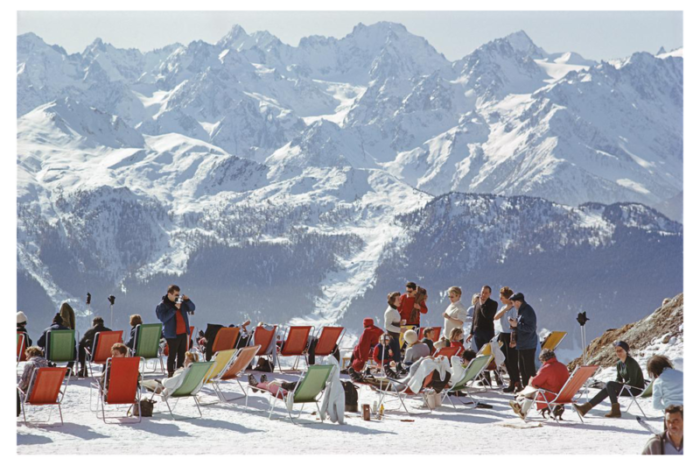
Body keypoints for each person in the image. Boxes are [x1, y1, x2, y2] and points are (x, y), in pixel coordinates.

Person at [574, 341, 645, 418]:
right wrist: (618, 384)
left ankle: (615, 410)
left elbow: (633, 381)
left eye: (620, 350)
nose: (618, 353)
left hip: (635, 389)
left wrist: (619, 385)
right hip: (627, 387)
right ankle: (585, 408)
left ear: (626, 351)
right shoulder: (619, 364)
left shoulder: (631, 363)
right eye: (617, 351)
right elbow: (619, 379)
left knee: (609, 385)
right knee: (608, 388)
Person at [510, 349, 570, 420]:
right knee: (533, 389)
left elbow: (534, 383)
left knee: (532, 390)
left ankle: (522, 410)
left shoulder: (546, 368)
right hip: (563, 395)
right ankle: (520, 405)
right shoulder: (563, 366)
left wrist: (532, 379)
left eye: (541, 360)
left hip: (551, 396)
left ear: (544, 359)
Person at [156, 285, 196, 378]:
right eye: (176, 295)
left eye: (179, 294)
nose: (178, 297)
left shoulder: (180, 302)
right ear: (169, 294)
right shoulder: (162, 305)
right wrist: (174, 309)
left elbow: (192, 308)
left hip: (183, 333)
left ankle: (180, 374)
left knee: (182, 355)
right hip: (172, 334)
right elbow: (163, 318)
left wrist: (187, 300)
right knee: (172, 355)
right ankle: (170, 375)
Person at [509, 293, 538, 390]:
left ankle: (532, 390)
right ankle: (526, 390)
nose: (512, 305)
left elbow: (531, 328)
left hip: (528, 345)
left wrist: (517, 325)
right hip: (522, 344)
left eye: (513, 302)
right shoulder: (522, 310)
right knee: (523, 370)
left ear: (517, 302)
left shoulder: (527, 311)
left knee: (528, 370)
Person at [495, 287, 521, 393]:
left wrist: (513, 339)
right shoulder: (505, 308)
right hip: (503, 334)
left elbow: (515, 325)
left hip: (510, 335)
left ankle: (517, 382)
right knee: (506, 360)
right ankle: (512, 381)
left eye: (502, 297)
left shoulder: (514, 309)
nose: (500, 299)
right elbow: (495, 317)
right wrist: (505, 308)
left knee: (512, 360)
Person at [467, 286, 498, 351]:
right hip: (477, 332)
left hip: (487, 333)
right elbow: (474, 318)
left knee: (488, 352)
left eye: (486, 293)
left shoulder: (493, 304)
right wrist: (471, 332)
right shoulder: (477, 304)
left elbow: (487, 316)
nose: (483, 294)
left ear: (489, 294)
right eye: (482, 292)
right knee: (479, 352)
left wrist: (482, 305)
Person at [384, 292, 404, 368]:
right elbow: (387, 326)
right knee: (394, 358)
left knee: (397, 357)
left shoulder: (394, 309)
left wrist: (399, 322)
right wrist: (400, 329)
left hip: (395, 336)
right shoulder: (390, 311)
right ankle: (392, 372)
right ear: (393, 301)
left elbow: (392, 322)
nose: (400, 301)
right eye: (398, 299)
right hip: (392, 337)